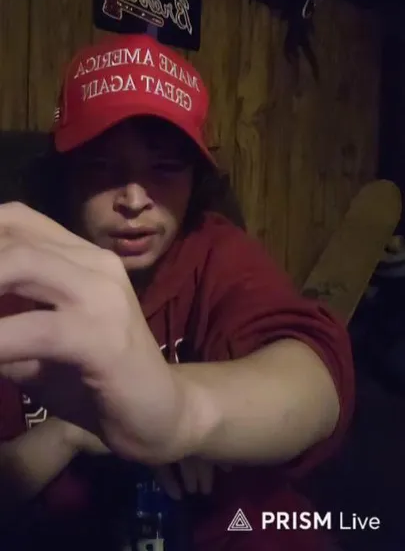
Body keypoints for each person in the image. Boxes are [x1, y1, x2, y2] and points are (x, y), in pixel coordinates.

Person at [0, 33, 354, 550]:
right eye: (102, 166)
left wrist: (181, 413)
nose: (134, 199)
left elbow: (315, 379)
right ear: (66, 173)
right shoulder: (17, 269)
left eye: (165, 168)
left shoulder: (213, 250)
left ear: (195, 177)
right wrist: (76, 431)